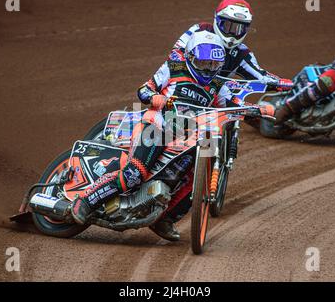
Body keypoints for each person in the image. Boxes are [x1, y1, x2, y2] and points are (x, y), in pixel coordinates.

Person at [70, 30, 272, 234]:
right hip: (157, 126)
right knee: (135, 173)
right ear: (191, 58)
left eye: (214, 65)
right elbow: (144, 89)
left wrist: (259, 109)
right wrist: (154, 98)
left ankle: (164, 220)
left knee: (195, 181)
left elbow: (233, 104)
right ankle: (86, 201)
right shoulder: (174, 68)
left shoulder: (218, 84)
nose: (209, 69)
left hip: (190, 136)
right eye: (204, 63)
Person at [146, 0, 293, 241]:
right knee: (160, 124)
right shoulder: (197, 31)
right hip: (185, 89)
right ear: (216, 21)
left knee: (205, 150)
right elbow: (175, 54)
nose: (233, 33)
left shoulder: (242, 53)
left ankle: (169, 216)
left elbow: (261, 75)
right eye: (228, 26)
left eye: (240, 28)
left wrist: (286, 84)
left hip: (218, 95)